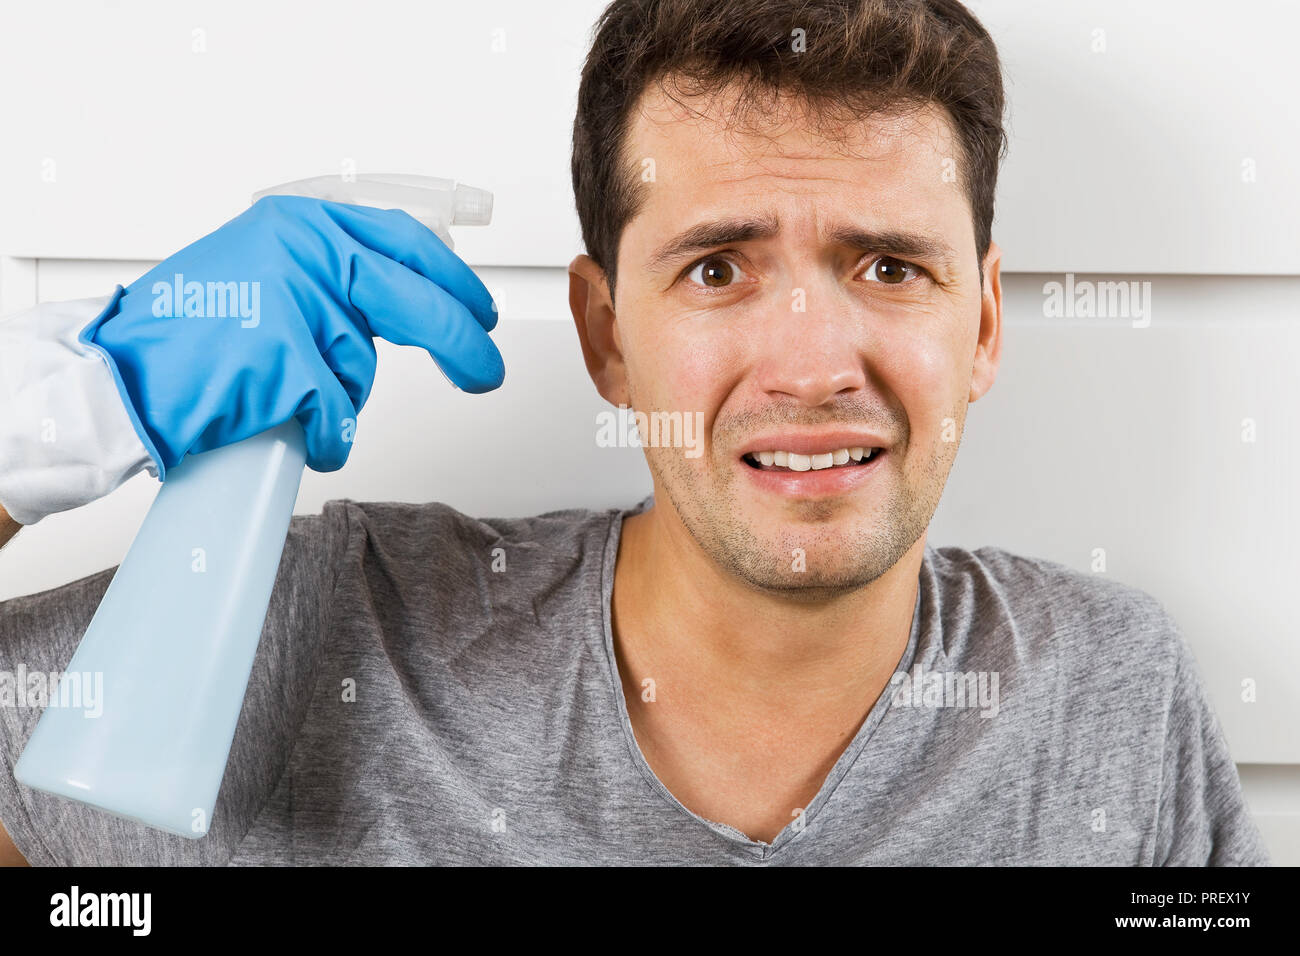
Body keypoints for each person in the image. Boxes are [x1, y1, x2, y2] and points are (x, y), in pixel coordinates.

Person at [0, 0, 1269, 865]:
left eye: (888, 266)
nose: (815, 363)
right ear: (606, 334)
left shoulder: (1106, 692)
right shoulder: (326, 626)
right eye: (717, 269)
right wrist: (83, 399)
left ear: (983, 322)